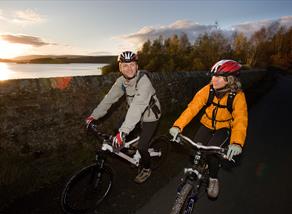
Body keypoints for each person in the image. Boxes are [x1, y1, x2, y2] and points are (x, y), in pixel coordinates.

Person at [169, 59, 248, 198]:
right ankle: (194, 174)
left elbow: (240, 120)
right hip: (206, 124)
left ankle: (213, 178)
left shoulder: (238, 96)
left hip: (223, 128)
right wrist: (178, 125)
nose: (213, 80)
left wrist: (236, 142)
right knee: (196, 148)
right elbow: (192, 108)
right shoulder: (208, 89)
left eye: (218, 77)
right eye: (213, 76)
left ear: (229, 80)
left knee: (212, 154)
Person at [86, 51, 161, 184]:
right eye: (125, 66)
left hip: (150, 115)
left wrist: (124, 131)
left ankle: (146, 168)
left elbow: (138, 105)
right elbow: (108, 100)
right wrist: (94, 116)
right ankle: (132, 146)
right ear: (120, 68)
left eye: (132, 64)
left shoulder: (144, 81)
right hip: (134, 112)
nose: (129, 68)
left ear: (137, 66)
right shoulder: (121, 82)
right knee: (117, 130)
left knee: (142, 146)